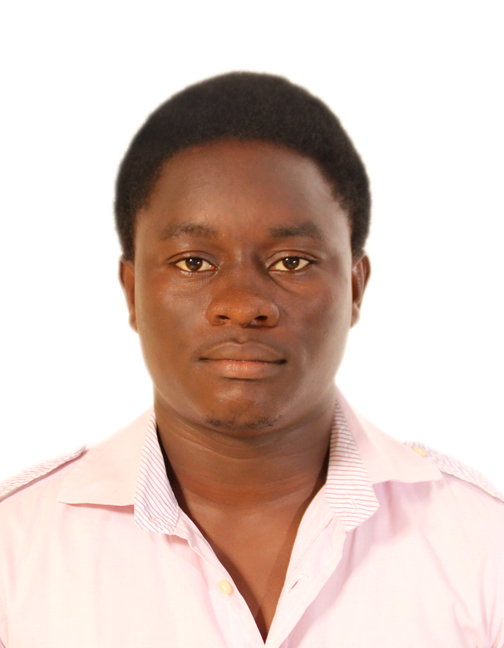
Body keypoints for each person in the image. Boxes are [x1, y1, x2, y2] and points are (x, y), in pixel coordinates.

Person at [0, 72, 503, 648]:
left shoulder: (483, 547)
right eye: (194, 262)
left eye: (291, 261)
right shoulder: (15, 551)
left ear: (355, 287)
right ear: (132, 291)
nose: (242, 306)